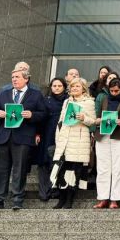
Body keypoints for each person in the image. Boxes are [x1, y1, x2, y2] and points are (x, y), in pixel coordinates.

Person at [0, 69, 46, 211]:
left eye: (17, 77)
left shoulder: (36, 95)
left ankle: (17, 198)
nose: (14, 79)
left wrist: (32, 114)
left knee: (20, 169)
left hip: (23, 137)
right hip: (3, 137)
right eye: (12, 77)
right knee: (0, 169)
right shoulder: (3, 94)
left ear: (26, 79)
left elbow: (44, 115)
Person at [50, 77, 96, 209]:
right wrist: (58, 139)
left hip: (79, 142)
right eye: (73, 86)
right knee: (61, 171)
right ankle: (61, 199)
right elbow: (60, 122)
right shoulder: (66, 102)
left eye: (78, 86)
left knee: (73, 172)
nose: (74, 88)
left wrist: (84, 118)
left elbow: (93, 121)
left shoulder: (89, 102)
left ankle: (69, 200)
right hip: (65, 141)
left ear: (83, 89)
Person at [94, 78, 120, 209]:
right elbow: (99, 114)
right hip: (104, 135)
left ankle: (115, 199)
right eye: (111, 90)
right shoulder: (105, 99)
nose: (114, 93)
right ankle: (103, 198)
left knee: (119, 168)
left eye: (116, 91)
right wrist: (99, 120)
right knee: (102, 168)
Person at [37, 78, 67, 202]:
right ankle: (44, 191)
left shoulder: (68, 101)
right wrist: (37, 133)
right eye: (54, 85)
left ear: (64, 87)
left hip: (63, 135)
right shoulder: (45, 100)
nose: (57, 88)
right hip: (47, 134)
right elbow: (40, 118)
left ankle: (56, 190)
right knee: (44, 162)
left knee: (58, 162)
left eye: (60, 85)